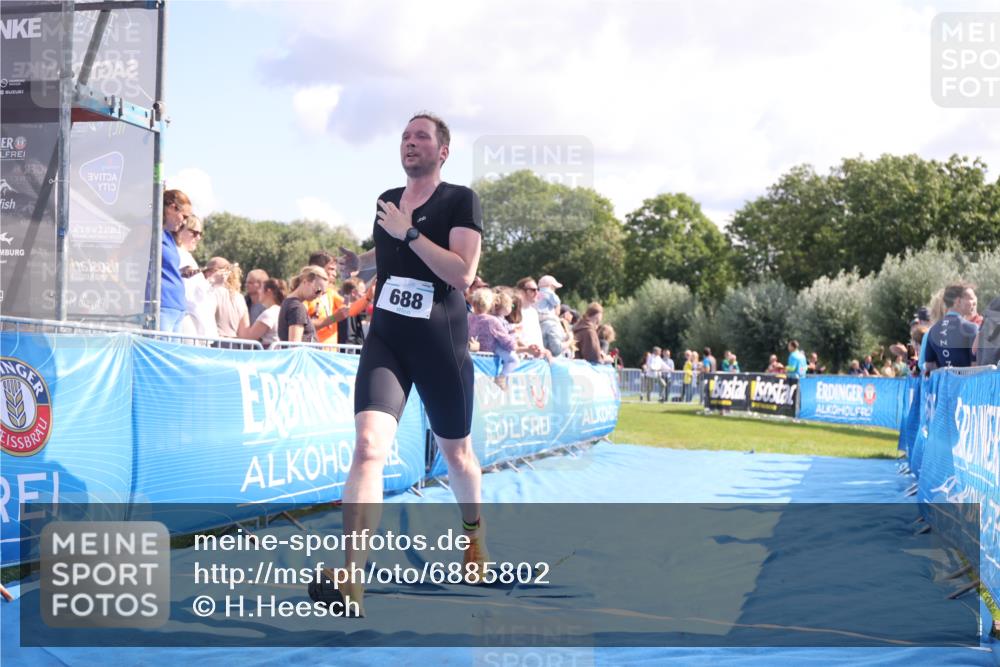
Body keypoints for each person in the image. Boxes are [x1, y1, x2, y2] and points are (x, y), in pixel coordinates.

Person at [311, 113, 485, 615]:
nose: (410, 142)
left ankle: (474, 534)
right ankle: (352, 579)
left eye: (421, 136)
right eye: (405, 136)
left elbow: (462, 273)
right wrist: (362, 262)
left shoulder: (460, 200)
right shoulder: (387, 201)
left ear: (442, 151)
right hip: (387, 340)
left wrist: (408, 233)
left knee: (457, 455)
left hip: (440, 342)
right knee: (368, 447)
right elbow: (387, 252)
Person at [173, 215, 218, 338]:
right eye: (194, 233)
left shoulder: (186, 256)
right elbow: (189, 294)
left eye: (200, 234)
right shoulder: (180, 255)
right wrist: (212, 281)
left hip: (194, 324)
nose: (198, 238)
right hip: (188, 322)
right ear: (180, 230)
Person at [468, 287, 518, 389]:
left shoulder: (468, 317)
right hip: (490, 351)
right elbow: (506, 340)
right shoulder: (492, 321)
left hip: (474, 355)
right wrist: (514, 343)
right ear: (490, 304)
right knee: (514, 360)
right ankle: (501, 378)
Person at [924, 283, 980, 372]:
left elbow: (929, 366)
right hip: (966, 380)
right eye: (971, 298)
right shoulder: (971, 329)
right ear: (958, 301)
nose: (974, 302)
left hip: (944, 381)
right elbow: (976, 366)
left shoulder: (933, 330)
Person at [158, 189, 192, 332]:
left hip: (176, 307)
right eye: (184, 216)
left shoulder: (168, 236)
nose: (184, 222)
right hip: (162, 305)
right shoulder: (150, 231)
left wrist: (179, 272)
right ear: (172, 208)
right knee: (160, 346)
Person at [307, 250, 351, 344]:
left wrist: (368, 297)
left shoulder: (330, 293)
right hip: (312, 351)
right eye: (331, 269)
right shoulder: (305, 295)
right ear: (317, 269)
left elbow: (350, 308)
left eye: (335, 270)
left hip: (329, 351)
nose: (335, 274)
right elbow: (303, 325)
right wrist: (333, 318)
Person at [279, 265, 328, 343]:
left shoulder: (289, 302)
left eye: (323, 293)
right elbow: (295, 345)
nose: (319, 296)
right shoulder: (296, 307)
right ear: (305, 282)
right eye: (318, 291)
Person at [205, 257, 249, 340]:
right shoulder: (239, 297)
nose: (204, 275)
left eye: (206, 271)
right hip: (233, 344)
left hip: (213, 341)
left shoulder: (211, 292)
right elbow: (244, 333)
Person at [238, 278, 285, 349]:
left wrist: (243, 311)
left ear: (269, 292)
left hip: (268, 353)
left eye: (261, 289)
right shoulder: (280, 310)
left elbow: (248, 338)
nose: (258, 291)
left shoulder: (269, 314)